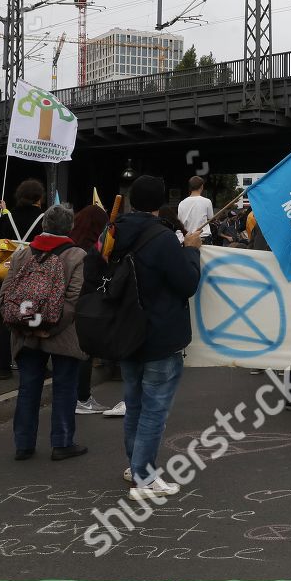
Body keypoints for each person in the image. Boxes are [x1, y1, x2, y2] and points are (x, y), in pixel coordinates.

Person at [113, 176, 202, 499]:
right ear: (160, 202)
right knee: (155, 408)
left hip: (125, 330)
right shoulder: (162, 238)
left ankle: (134, 464)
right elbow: (187, 283)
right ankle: (145, 477)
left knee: (134, 403)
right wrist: (192, 252)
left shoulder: (115, 231)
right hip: (160, 332)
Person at [3, 204, 89, 461]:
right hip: (62, 334)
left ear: (43, 226)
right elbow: (73, 300)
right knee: (65, 386)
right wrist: (48, 327)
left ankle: (23, 444)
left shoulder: (22, 254)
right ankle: (62, 443)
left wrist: (29, 325)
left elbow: (6, 296)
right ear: (70, 227)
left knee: (28, 387)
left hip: (25, 334)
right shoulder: (77, 255)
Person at [0, 179, 48, 380]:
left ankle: (4, 367)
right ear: (39, 198)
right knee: (34, 319)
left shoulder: (5, 220)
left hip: (7, 276)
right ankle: (36, 365)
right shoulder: (44, 220)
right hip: (34, 276)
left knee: (6, 320)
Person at [69, 203, 112, 415]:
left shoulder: (69, 245)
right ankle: (82, 398)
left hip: (64, 306)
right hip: (84, 307)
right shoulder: (92, 252)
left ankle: (73, 397)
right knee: (84, 353)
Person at [176, 176, 214, 241]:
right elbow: (211, 218)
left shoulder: (181, 203)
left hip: (188, 238)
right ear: (202, 186)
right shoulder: (207, 201)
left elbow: (180, 223)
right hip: (203, 237)